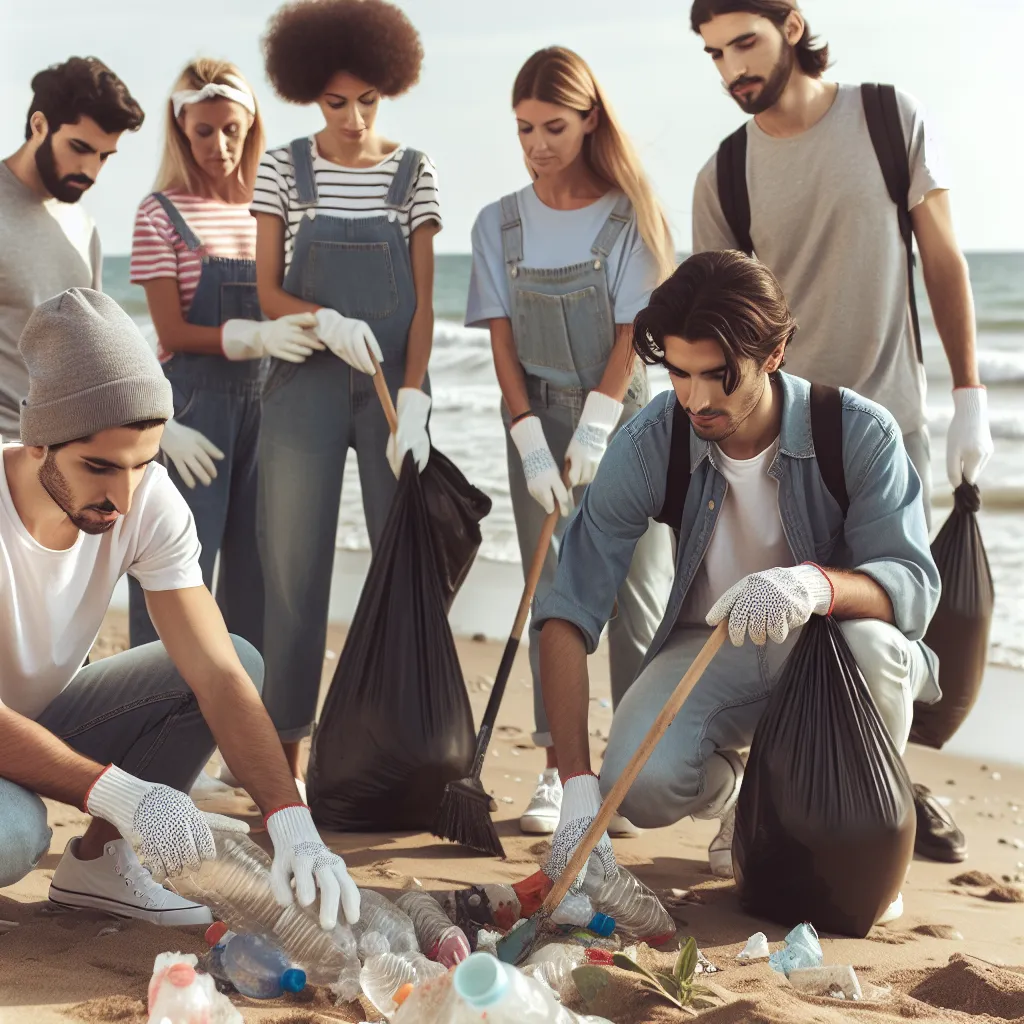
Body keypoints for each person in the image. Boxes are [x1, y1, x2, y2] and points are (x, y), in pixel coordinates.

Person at [533, 252, 939, 922]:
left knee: (875, 647)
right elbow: (566, 610)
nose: (695, 399)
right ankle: (746, 798)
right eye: (679, 374)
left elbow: (912, 588)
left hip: (826, 653)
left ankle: (864, 839)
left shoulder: (858, 431)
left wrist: (811, 586)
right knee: (638, 786)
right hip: (709, 647)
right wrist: (577, 792)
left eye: (719, 378)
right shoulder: (653, 441)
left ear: (775, 352)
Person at [688, 0, 987, 862]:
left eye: (743, 42)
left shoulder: (888, 120)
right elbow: (715, 323)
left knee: (891, 621)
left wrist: (969, 392)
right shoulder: (727, 174)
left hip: (892, 420)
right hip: (787, 441)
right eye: (713, 55)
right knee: (783, 613)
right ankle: (770, 796)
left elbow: (942, 256)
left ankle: (885, 789)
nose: (732, 69)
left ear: (791, 24)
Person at [0, 288, 359, 931]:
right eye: (99, 467)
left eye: (143, 464)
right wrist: (123, 793)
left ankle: (99, 864)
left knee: (239, 660)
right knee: (12, 835)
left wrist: (292, 822)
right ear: (38, 444)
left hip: (41, 719)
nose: (124, 496)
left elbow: (217, 674)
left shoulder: (147, 501)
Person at [466, 47, 676, 837]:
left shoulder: (631, 214)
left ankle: (630, 768)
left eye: (554, 126)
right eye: (524, 128)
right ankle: (561, 774)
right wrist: (526, 433)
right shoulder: (499, 222)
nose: (537, 144)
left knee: (636, 594)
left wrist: (597, 424)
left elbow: (634, 332)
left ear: (590, 120)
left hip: (628, 419)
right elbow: (499, 338)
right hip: (536, 416)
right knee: (552, 591)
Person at [253, 0, 442, 779]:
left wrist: (417, 400)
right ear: (308, 95)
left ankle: (396, 754)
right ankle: (283, 761)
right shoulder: (282, 167)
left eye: (369, 100)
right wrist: (324, 319)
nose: (356, 118)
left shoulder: (413, 172)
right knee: (294, 575)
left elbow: (427, 303)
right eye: (338, 102)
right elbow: (267, 291)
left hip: (390, 394)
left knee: (404, 569)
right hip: (304, 389)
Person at [126, 59, 318, 653]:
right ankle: (145, 725)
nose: (219, 144)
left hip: (268, 411)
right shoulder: (159, 214)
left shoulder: (270, 214)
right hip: (192, 410)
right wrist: (251, 336)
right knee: (175, 574)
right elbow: (172, 331)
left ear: (251, 125)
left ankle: (247, 729)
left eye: (231, 129)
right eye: (204, 130)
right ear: (182, 127)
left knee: (258, 579)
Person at [0, 57, 143, 440]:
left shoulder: (83, 227)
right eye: (79, 147)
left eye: (104, 156)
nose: (92, 171)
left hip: (63, 457)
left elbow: (88, 347)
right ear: (39, 126)